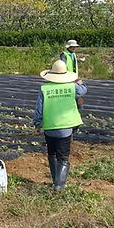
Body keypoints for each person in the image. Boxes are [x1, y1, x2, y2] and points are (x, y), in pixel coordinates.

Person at [33, 60, 87, 191]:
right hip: (66, 127)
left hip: (49, 127)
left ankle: (54, 181)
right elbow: (83, 90)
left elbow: (39, 108)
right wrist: (79, 83)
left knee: (52, 153)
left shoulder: (44, 88)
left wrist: (37, 124)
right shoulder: (72, 87)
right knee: (63, 157)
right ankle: (59, 186)